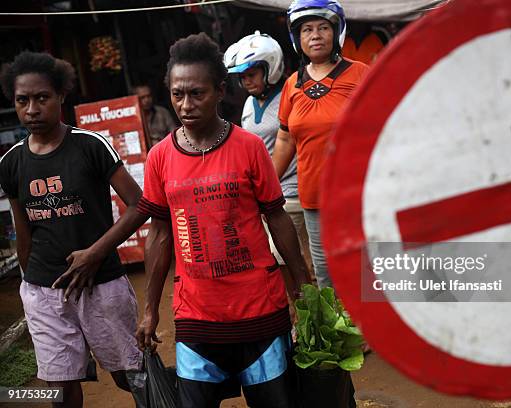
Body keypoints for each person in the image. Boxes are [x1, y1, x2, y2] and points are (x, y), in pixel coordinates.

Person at [135, 32, 310, 408]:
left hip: (260, 312)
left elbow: (277, 218)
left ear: (219, 91)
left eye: (197, 93)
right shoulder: (160, 158)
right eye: (177, 94)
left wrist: (301, 282)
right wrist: (149, 309)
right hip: (196, 317)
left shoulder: (249, 147)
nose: (186, 104)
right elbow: (160, 234)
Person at [0, 51, 148, 408]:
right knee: (60, 388)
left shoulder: (90, 146)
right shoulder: (11, 162)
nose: (32, 109)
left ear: (61, 96)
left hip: (102, 284)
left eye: (41, 98)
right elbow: (24, 231)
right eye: (23, 101)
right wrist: (29, 281)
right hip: (45, 290)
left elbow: (139, 205)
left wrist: (95, 254)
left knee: (130, 377)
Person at [273, 0, 369, 288]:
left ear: (337, 32)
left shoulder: (360, 74)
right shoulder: (292, 84)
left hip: (356, 196)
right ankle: (338, 333)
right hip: (313, 198)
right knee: (326, 272)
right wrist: (263, 186)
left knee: (365, 266)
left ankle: (374, 330)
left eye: (323, 28)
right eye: (307, 30)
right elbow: (285, 139)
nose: (315, 35)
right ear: (297, 39)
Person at [224, 31, 312, 282]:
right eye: (242, 77)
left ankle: (314, 316)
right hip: (266, 197)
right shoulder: (250, 104)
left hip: (292, 193)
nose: (246, 82)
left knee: (297, 261)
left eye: (251, 74)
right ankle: (303, 316)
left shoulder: (292, 93)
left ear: (270, 68)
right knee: (284, 261)